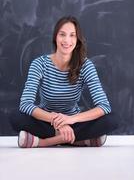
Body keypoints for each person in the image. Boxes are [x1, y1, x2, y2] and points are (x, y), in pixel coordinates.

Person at [10, 16, 118, 148]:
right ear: (55, 37)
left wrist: (70, 120)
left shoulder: (85, 65)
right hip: (45, 120)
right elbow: (25, 104)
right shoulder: (39, 64)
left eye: (72, 35)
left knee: (112, 119)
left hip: (75, 121)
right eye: (62, 34)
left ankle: (45, 142)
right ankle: (79, 140)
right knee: (15, 116)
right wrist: (58, 122)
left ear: (77, 40)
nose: (67, 40)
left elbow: (104, 106)